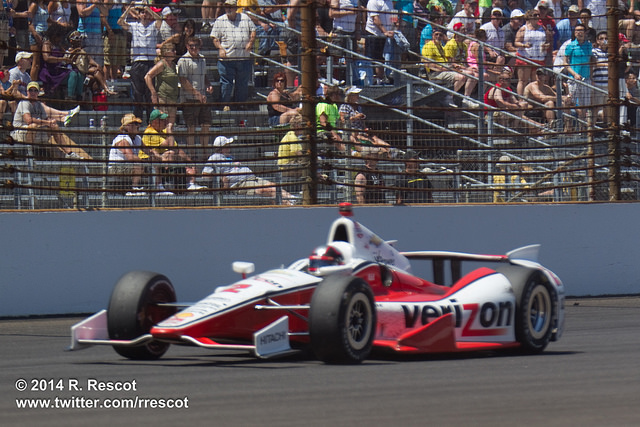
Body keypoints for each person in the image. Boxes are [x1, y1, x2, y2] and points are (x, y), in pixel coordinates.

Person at [202, 135, 295, 204]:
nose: (229, 147)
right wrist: (220, 176)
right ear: (221, 148)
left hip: (251, 178)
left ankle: (292, 199)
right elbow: (205, 174)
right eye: (227, 145)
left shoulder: (230, 156)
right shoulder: (214, 157)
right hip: (240, 184)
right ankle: (289, 203)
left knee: (273, 185)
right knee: (266, 190)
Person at [11, 81, 82, 159]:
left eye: (35, 90)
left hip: (35, 133)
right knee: (33, 126)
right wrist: (47, 122)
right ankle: (29, 153)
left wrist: (51, 122)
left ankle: (69, 153)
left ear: (38, 93)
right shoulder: (24, 102)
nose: (33, 92)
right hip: (19, 132)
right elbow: (28, 120)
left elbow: (46, 118)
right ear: (27, 92)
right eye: (31, 90)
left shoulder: (38, 104)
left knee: (54, 126)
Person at [139, 109, 203, 192]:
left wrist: (190, 163)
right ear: (155, 121)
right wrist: (169, 129)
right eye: (162, 120)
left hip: (163, 159)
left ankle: (190, 184)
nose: (165, 122)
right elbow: (171, 146)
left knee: (178, 154)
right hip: (148, 160)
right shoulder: (150, 132)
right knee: (170, 154)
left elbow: (176, 149)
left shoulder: (163, 131)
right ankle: (161, 186)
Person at [118, 3, 163, 121]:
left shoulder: (153, 26)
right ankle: (137, 120)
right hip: (137, 63)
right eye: (142, 12)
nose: (144, 14)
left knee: (149, 94)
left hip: (150, 63)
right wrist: (129, 9)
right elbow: (120, 22)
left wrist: (148, 9)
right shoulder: (134, 26)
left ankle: (150, 121)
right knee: (137, 94)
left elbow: (160, 20)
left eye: (146, 12)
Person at [210, 0, 256, 110]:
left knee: (242, 83)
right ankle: (224, 104)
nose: (228, 9)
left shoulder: (245, 17)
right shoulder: (220, 20)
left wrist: (250, 42)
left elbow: (253, 30)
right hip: (226, 59)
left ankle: (239, 104)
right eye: (226, 7)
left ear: (236, 7)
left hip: (243, 58)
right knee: (226, 83)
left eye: (231, 7)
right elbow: (214, 38)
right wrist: (220, 48)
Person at [177, 36, 214, 154]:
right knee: (191, 128)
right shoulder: (183, 60)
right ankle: (192, 154)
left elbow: (204, 76)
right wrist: (196, 94)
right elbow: (183, 80)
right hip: (189, 99)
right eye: (191, 46)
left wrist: (208, 85)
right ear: (187, 46)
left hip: (203, 97)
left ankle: (204, 153)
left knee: (206, 125)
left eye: (196, 46)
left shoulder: (202, 59)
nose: (194, 48)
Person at [514, 9, 551, 95]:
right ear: (529, 17)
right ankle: (521, 100)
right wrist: (524, 45)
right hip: (525, 58)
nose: (537, 17)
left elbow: (548, 41)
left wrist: (546, 46)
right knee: (523, 81)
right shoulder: (524, 29)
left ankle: (535, 100)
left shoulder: (543, 28)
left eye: (538, 15)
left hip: (539, 58)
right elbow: (516, 42)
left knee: (537, 82)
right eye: (535, 15)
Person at [109, 113, 146, 195]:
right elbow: (130, 157)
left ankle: (158, 187)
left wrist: (158, 157)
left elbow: (148, 151)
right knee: (138, 164)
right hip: (116, 168)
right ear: (127, 126)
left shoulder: (137, 138)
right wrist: (144, 160)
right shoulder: (122, 139)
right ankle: (134, 188)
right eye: (135, 124)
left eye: (138, 124)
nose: (138, 126)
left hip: (127, 166)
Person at [422, 28, 467, 95]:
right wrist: (445, 69)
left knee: (469, 74)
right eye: (436, 34)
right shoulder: (428, 46)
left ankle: (465, 98)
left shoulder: (441, 47)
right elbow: (429, 64)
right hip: (435, 73)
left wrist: (453, 67)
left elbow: (448, 61)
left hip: (445, 70)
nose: (438, 36)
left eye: (440, 35)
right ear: (432, 36)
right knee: (461, 77)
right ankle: (449, 96)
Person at [145, 43, 180, 126]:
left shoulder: (173, 65)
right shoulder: (161, 64)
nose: (175, 52)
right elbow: (147, 77)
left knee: (170, 126)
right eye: (173, 50)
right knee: (163, 124)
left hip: (173, 99)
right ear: (166, 52)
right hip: (163, 98)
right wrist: (153, 93)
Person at [564, 23, 592, 121]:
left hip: (586, 79)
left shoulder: (589, 46)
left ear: (585, 32)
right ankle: (568, 126)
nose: (579, 32)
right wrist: (574, 74)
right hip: (573, 79)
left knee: (585, 106)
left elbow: (591, 61)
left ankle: (582, 129)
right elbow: (565, 63)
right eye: (577, 30)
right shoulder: (570, 46)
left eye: (581, 30)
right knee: (569, 102)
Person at [364, 0, 395, 84]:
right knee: (372, 58)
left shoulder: (390, 2)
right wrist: (385, 31)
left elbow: (392, 17)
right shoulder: (373, 1)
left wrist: (394, 28)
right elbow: (375, 19)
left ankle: (380, 79)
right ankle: (371, 81)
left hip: (386, 35)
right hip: (373, 34)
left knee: (382, 58)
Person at [101, 0, 128, 92]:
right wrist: (109, 31)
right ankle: (106, 84)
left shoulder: (120, 2)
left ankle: (114, 83)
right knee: (108, 61)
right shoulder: (108, 1)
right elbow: (103, 16)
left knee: (116, 60)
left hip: (119, 32)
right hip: (110, 33)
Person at [316, 85, 346, 152]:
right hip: (321, 131)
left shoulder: (334, 105)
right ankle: (348, 154)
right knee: (335, 138)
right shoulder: (323, 105)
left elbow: (339, 121)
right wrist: (333, 133)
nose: (341, 97)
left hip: (332, 131)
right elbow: (323, 122)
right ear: (334, 95)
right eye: (339, 95)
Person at [76, 0, 104, 68]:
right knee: (86, 60)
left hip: (97, 33)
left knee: (98, 62)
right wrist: (94, 5)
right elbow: (82, 13)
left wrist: (99, 5)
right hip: (86, 33)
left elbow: (105, 12)